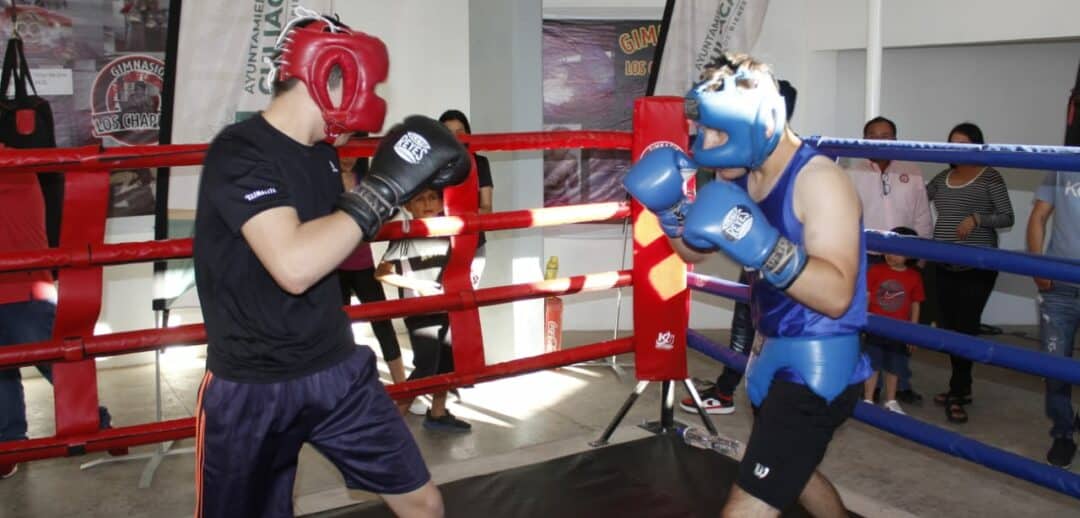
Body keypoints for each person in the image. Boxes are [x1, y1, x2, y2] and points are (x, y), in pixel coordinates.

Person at [192, 9, 469, 517]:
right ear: (330, 76)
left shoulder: (322, 156)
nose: (375, 102)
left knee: (423, 503)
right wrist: (383, 189)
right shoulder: (239, 153)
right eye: (368, 85)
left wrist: (393, 193)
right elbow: (294, 266)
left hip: (335, 369)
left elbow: (334, 241)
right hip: (252, 385)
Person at [625, 53, 869, 517]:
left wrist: (763, 248)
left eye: (719, 131)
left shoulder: (820, 181)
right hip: (770, 347)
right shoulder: (738, 171)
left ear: (759, 121)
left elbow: (837, 296)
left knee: (752, 499)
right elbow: (693, 250)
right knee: (789, 472)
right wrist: (671, 210)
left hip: (818, 363)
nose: (706, 143)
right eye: (704, 129)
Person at [680, 79, 797, 416]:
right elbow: (697, 245)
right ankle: (731, 387)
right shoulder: (743, 155)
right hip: (761, 264)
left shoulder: (795, 165)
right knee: (748, 323)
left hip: (782, 270)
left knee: (758, 327)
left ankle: (730, 389)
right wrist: (672, 213)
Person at [1, 165, 123, 480]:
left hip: (24, 287)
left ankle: (99, 424)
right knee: (3, 373)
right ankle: (10, 444)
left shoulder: (14, 168)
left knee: (57, 364)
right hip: (20, 286)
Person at [926, 122, 1014, 425]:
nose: (957, 148)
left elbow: (1007, 216)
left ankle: (958, 392)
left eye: (963, 142)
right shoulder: (943, 177)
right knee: (950, 327)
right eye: (952, 142)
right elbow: (917, 201)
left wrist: (977, 218)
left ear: (977, 144)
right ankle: (960, 387)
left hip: (978, 265)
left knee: (965, 327)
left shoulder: (990, 175)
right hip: (942, 261)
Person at [846, 116, 932, 405]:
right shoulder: (852, 170)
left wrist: (922, 253)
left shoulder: (912, 170)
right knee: (864, 323)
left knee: (900, 322)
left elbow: (922, 214)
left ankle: (900, 385)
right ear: (864, 138)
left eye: (887, 136)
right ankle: (862, 383)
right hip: (866, 259)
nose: (881, 140)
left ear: (896, 139)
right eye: (874, 135)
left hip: (903, 260)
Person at [376, 187, 472, 433]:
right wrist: (417, 285)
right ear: (408, 206)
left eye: (432, 198)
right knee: (426, 367)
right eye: (419, 199)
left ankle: (437, 413)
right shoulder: (405, 234)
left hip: (447, 306)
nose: (427, 204)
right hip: (420, 310)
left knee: (447, 363)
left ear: (442, 202)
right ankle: (391, 425)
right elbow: (382, 273)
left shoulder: (450, 229)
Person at [1026, 169, 1080, 468]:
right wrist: (1038, 264)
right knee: (1055, 364)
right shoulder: (1061, 166)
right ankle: (1062, 432)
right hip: (1060, 285)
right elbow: (1038, 216)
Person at [339, 155, 407, 385]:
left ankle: (402, 385)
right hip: (332, 266)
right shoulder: (323, 178)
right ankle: (343, 387)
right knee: (339, 329)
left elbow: (391, 207)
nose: (347, 158)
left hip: (361, 262)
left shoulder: (366, 179)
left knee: (382, 323)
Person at [863, 227, 924, 415]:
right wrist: (863, 321)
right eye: (889, 249)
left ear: (910, 254)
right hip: (875, 328)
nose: (891, 255)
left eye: (898, 252)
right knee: (872, 364)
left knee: (894, 367)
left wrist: (912, 332)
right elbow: (866, 296)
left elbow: (915, 304)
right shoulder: (875, 270)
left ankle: (890, 399)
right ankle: (867, 398)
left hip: (899, 330)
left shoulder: (914, 276)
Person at [438, 109, 492, 287]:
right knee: (437, 303)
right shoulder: (432, 165)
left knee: (465, 299)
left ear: (468, 135)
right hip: (437, 244)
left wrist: (458, 219)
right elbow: (422, 207)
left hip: (472, 243)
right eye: (449, 134)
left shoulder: (480, 163)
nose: (456, 138)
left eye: (460, 133)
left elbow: (487, 208)